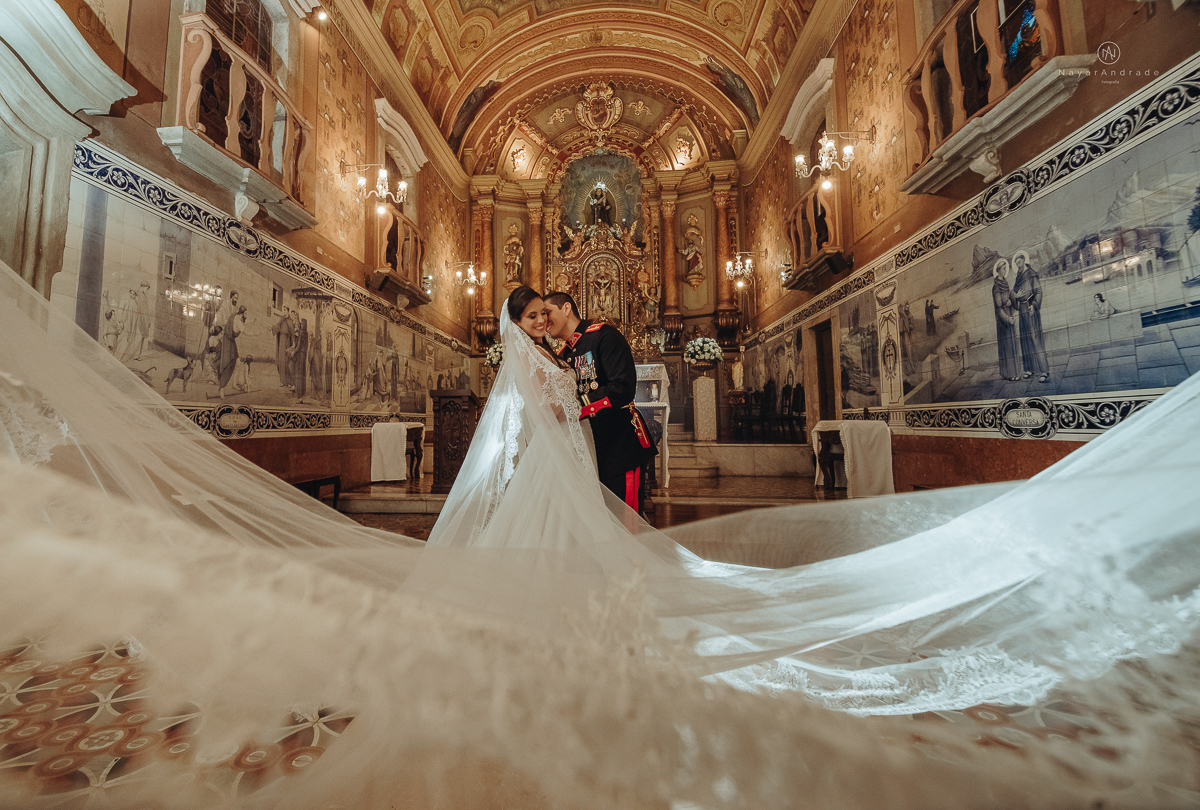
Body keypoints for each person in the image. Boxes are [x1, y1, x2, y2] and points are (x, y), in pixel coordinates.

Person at [6, 258, 1200, 807]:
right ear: (528, 319)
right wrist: (564, 419)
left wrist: (580, 417)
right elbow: (535, 430)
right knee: (551, 563)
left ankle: (564, 619)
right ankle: (557, 620)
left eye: (564, 307)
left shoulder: (575, 356)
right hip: (546, 475)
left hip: (570, 471)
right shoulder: (537, 363)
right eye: (544, 309)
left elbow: (582, 416)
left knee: (573, 566)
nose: (559, 317)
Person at [543, 289, 657, 514]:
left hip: (620, 445)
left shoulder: (604, 336)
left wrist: (576, 407)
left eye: (547, 312)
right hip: (591, 449)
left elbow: (622, 388)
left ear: (566, 308)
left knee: (626, 522)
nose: (544, 320)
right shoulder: (565, 353)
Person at [1012, 249, 1049, 383]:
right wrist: (1014, 296)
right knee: (1025, 340)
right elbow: (1013, 293)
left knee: (1035, 338)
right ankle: (1029, 369)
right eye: (1016, 261)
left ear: (1024, 260)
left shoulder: (1031, 274)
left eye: (1019, 260)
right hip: (1022, 309)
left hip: (1030, 308)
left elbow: (1038, 291)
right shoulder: (1018, 277)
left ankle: (1044, 370)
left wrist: (1034, 305)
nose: (1017, 262)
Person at [992, 259, 1021, 381]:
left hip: (1010, 317)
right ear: (998, 270)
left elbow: (1009, 296)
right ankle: (1009, 374)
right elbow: (999, 308)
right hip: (1004, 321)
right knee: (1008, 346)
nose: (1006, 271)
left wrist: (1015, 297)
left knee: (1012, 344)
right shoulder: (996, 287)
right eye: (1004, 269)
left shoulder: (1005, 282)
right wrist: (1007, 318)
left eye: (1006, 268)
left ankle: (1013, 372)